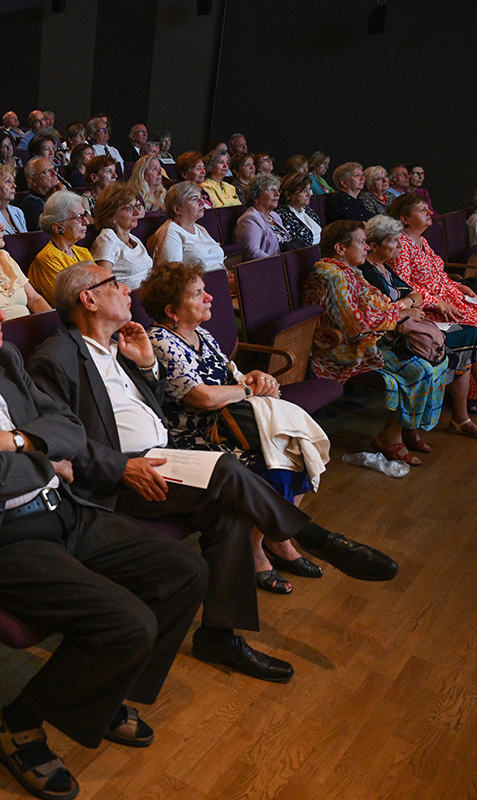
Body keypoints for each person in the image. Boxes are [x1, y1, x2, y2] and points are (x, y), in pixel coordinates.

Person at [0, 265, 208, 800]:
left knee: (184, 573)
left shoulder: (6, 357)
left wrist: (17, 441)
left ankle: (102, 695)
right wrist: (48, 461)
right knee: (128, 623)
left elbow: (69, 428)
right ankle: (18, 725)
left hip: (62, 508)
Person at [31, 263, 396, 668]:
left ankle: (219, 636)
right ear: (89, 298)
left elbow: (144, 408)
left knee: (230, 512)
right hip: (119, 480)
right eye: (115, 285)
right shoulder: (58, 357)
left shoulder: (123, 345)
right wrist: (121, 467)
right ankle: (314, 537)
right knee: (223, 468)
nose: (126, 291)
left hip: (163, 457)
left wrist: (148, 365)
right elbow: (58, 438)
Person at [141, 260, 395, 591]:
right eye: (198, 294)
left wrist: (254, 377)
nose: (210, 299)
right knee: (273, 462)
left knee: (296, 450)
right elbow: (200, 397)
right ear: (172, 310)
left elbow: (229, 376)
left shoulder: (199, 332)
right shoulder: (160, 339)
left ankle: (279, 539)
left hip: (230, 422)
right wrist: (248, 390)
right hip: (197, 436)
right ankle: (257, 549)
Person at [303, 220, 450, 462]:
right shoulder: (331, 275)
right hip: (345, 349)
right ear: (340, 249)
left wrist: (397, 311)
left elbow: (378, 304)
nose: (367, 248)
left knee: (435, 361)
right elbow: (355, 324)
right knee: (420, 370)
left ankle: (405, 429)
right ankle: (389, 438)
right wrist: (400, 313)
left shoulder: (348, 271)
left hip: (369, 338)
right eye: (361, 242)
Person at [363, 215, 477, 445]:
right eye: (393, 241)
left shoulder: (385, 266)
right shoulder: (367, 272)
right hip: (390, 336)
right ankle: (407, 431)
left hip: (412, 322)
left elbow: (412, 294)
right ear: (374, 245)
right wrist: (408, 307)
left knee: (468, 335)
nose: (398, 245)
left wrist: (409, 304)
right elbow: (385, 308)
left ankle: (460, 415)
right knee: (446, 351)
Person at [389, 193, 477, 437]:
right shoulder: (402, 245)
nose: (429, 213)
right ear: (405, 219)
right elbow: (405, 287)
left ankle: (465, 405)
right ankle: (465, 405)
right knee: (473, 330)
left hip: (448, 298)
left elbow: (437, 275)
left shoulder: (422, 241)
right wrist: (436, 301)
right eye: (422, 210)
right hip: (429, 310)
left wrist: (457, 285)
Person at [28, 191, 95, 305]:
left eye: (85, 215)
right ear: (58, 227)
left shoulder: (83, 252)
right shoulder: (47, 259)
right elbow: (70, 302)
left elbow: (102, 286)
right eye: (80, 217)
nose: (86, 222)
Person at [147, 182, 226, 273]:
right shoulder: (171, 233)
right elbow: (173, 273)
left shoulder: (200, 229)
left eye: (201, 198)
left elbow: (220, 263)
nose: (202, 202)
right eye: (195, 199)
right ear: (177, 209)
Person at [91, 183, 153, 290]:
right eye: (129, 208)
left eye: (136, 206)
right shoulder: (106, 240)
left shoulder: (133, 238)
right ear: (111, 214)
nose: (137, 212)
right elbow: (104, 284)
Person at [235, 174, 295, 259]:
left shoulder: (274, 216)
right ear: (255, 196)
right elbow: (253, 253)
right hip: (270, 266)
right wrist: (281, 262)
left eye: (278, 190)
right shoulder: (249, 220)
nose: (277, 193)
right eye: (271, 190)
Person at [276, 171, 323, 247]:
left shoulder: (307, 210)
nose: (309, 194)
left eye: (309, 189)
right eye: (304, 191)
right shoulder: (282, 215)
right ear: (288, 194)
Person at [20, 156, 61, 232]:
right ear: (32, 181)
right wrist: (60, 199)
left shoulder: (55, 195)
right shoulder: (30, 205)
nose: (55, 173)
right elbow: (52, 231)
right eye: (48, 171)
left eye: (54, 169)